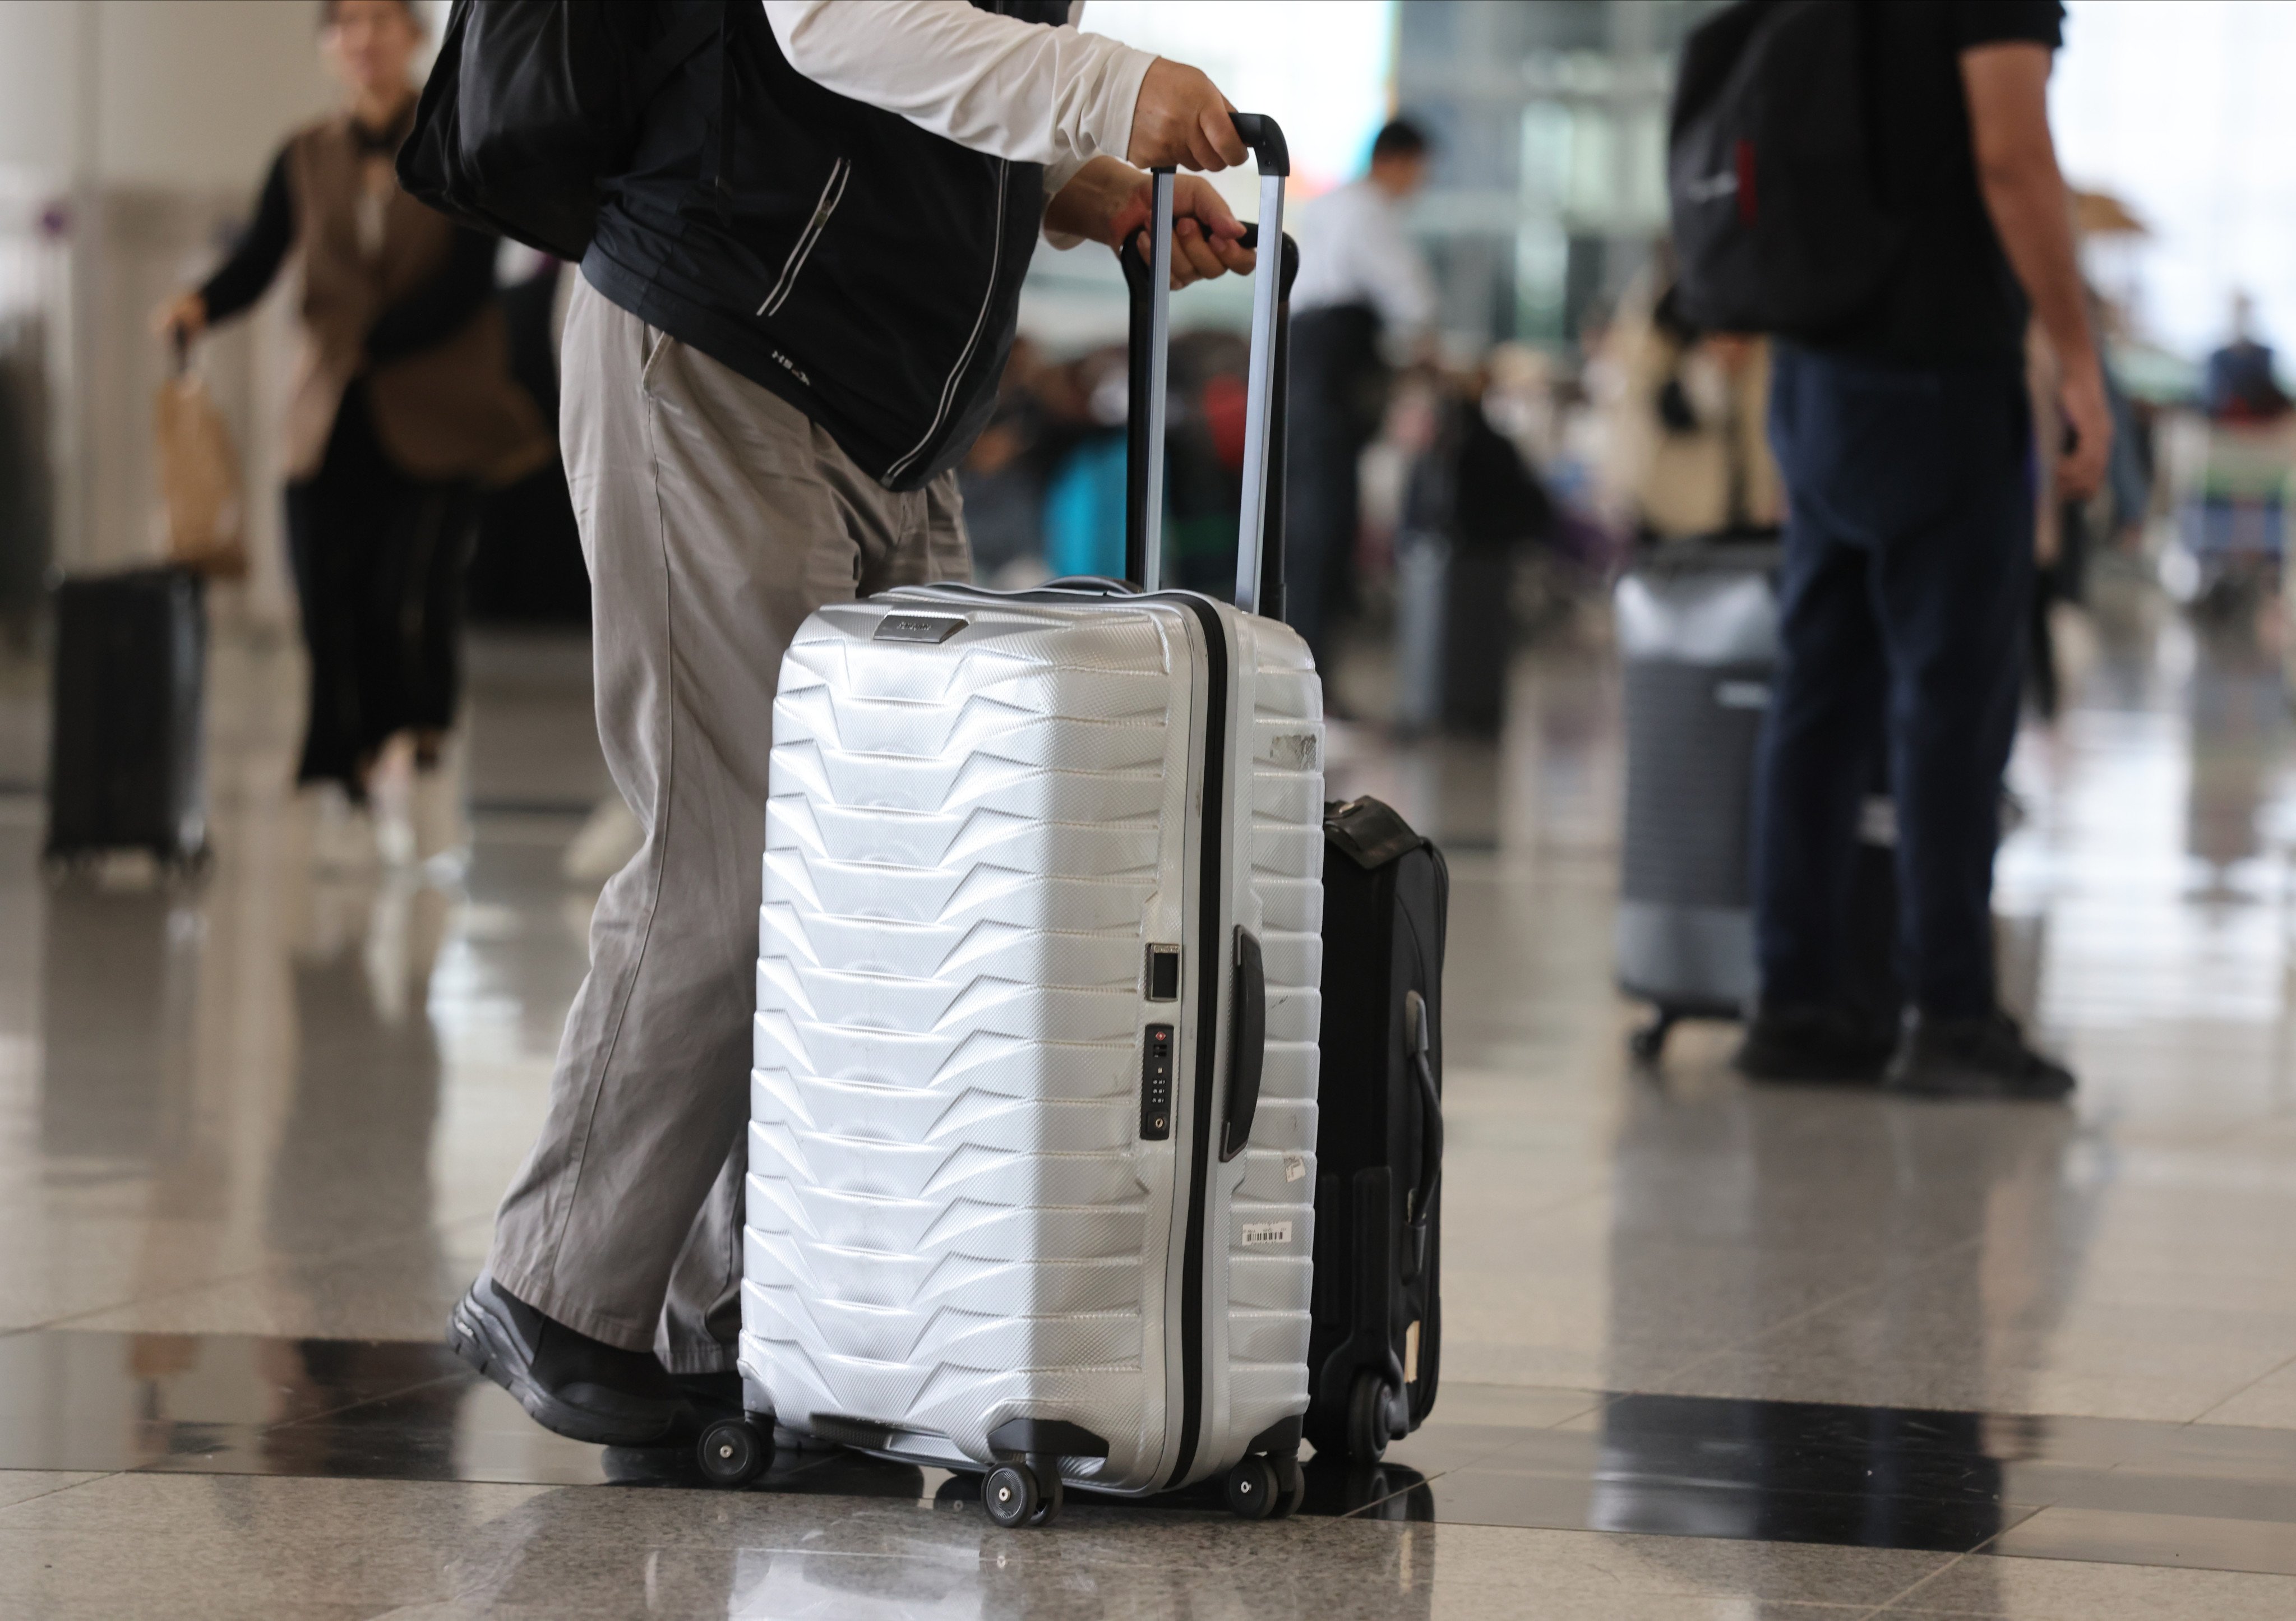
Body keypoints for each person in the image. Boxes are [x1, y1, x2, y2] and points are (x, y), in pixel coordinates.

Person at [449, 0, 1262, 1448]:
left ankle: (748, 1318)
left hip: (875, 409)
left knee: (879, 887)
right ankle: (556, 1285)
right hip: (717, 349)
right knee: (734, 851)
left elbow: (903, 81)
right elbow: (827, 22)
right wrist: (1105, 85)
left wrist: (1081, 190)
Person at [1735, 1, 2108, 1100]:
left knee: (1817, 691)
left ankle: (1792, 1001)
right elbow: (2009, 152)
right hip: (1935, 371)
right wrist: (2078, 357)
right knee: (1951, 703)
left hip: (1812, 366)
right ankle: (1948, 1011)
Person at [154, 0, 551, 840]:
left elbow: (470, 278)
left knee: (406, 596)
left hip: (439, 417)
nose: (363, 39)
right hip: (330, 418)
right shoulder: (303, 155)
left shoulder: (459, 142)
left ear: (413, 37)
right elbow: (260, 258)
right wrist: (199, 304)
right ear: (328, 47)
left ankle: (415, 743)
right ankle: (342, 767)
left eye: (380, 21)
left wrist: (367, 337)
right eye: (344, 25)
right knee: (323, 602)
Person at [1284, 117, 1438, 671]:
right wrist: (1431, 352)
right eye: (1420, 171)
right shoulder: (1370, 209)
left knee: (1303, 524)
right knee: (1327, 526)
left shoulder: (1328, 206)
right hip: (1332, 380)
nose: (1419, 185)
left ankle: (1297, 667)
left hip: (1300, 369)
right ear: (1398, 161)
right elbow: (1410, 297)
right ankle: (1316, 672)